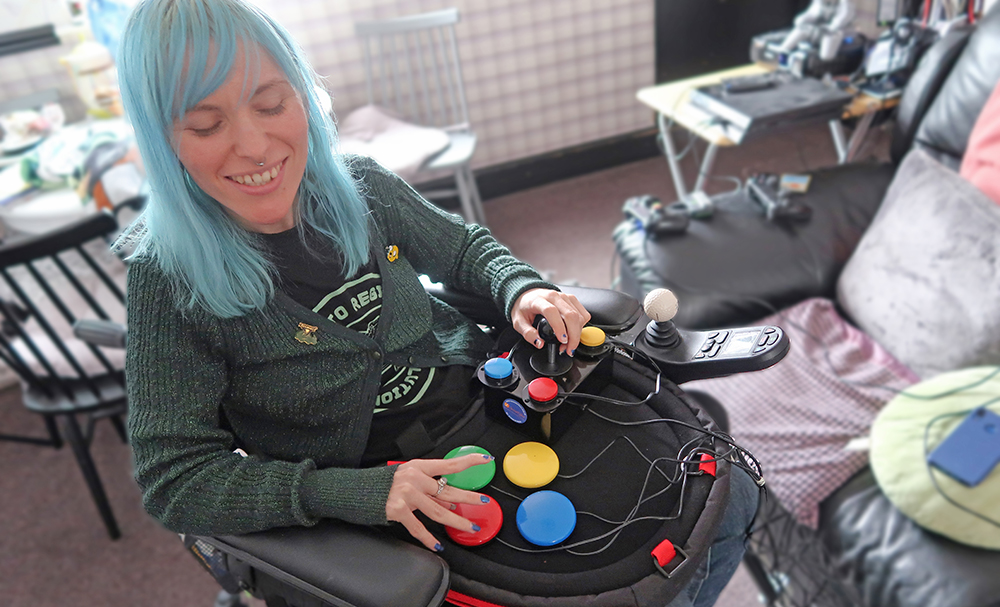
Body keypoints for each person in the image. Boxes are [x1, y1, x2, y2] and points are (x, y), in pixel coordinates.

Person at [116, 1, 757, 606]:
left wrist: (520, 286)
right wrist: (345, 492)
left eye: (272, 103)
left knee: (725, 505)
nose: (255, 146)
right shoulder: (164, 278)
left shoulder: (360, 185)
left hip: (483, 401)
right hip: (376, 487)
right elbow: (175, 477)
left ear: (301, 94)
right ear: (163, 138)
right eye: (206, 124)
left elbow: (463, 250)